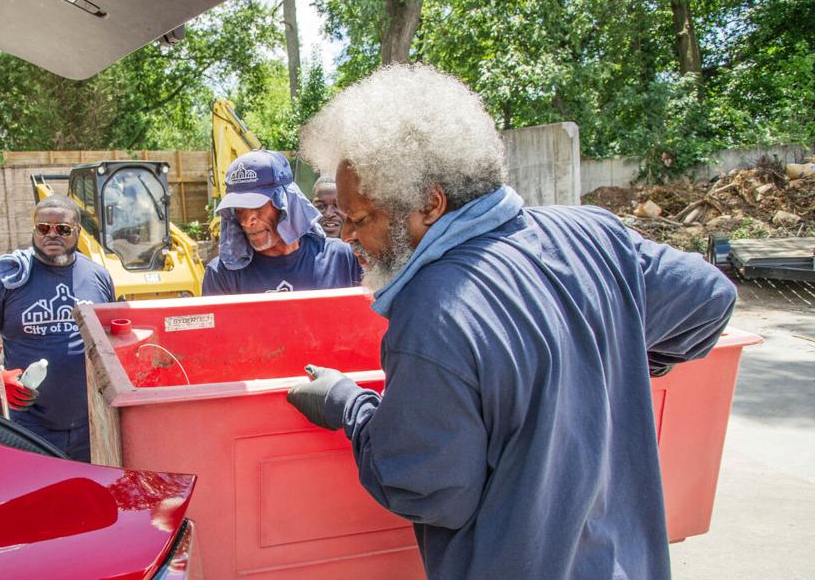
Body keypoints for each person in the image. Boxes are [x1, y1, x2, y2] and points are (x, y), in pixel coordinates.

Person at [286, 64, 737, 580]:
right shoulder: (594, 233)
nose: (344, 235)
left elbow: (429, 489)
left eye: (360, 218)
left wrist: (350, 406)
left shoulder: (433, 311)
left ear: (429, 204)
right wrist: (610, 360)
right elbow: (712, 299)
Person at [0, 195, 114, 461]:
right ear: (34, 229)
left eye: (63, 229)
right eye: (44, 228)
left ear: (77, 231)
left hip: (91, 420)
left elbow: (112, 336)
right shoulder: (7, 277)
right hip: (30, 423)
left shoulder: (97, 276)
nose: (52, 234)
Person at [202, 150, 361, 295]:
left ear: (286, 202)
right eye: (239, 208)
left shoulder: (342, 259)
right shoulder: (222, 275)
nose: (246, 220)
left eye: (257, 205)